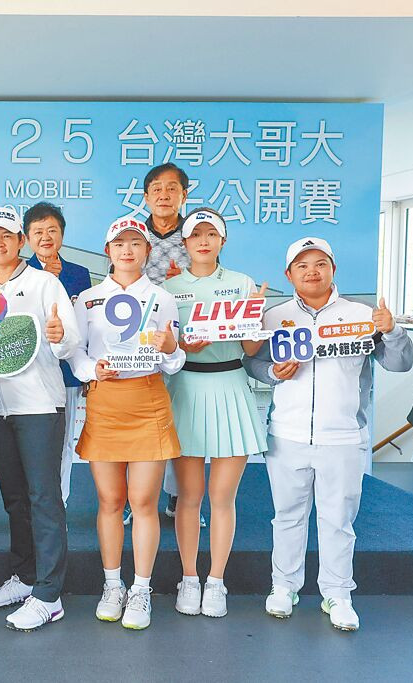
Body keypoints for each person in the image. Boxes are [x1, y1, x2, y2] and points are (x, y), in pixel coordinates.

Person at [245, 237, 413, 632]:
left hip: (343, 437)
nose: (312, 272)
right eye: (302, 266)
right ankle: (283, 586)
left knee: (338, 519)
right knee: (287, 516)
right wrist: (272, 373)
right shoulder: (275, 316)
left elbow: (401, 363)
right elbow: (252, 362)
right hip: (286, 434)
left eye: (320, 264)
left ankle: (338, 593)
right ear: (289, 274)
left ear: (333, 270)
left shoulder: (363, 315)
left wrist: (392, 331)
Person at [0, 207, 79, 632]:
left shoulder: (45, 283)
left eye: (6, 236)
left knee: (44, 498)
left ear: (20, 242)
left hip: (40, 406)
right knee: (15, 499)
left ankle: (49, 595)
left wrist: (61, 338)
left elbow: (71, 343)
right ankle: (25, 577)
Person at [68, 217, 185, 630]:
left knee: (143, 502)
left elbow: (174, 361)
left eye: (136, 243)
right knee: (110, 501)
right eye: (119, 243)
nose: (127, 250)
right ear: (108, 251)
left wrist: (170, 347)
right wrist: (93, 370)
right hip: (105, 401)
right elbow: (76, 354)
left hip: (147, 400)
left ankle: (141, 589)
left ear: (147, 250)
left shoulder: (162, 298)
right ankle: (112, 585)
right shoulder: (88, 299)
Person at [162, 208, 269, 618]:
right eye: (196, 235)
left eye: (211, 234)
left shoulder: (242, 284)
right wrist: (180, 347)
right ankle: (189, 578)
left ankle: (217, 581)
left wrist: (254, 318)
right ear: (185, 242)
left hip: (230, 387)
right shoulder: (168, 288)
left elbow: (250, 349)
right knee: (188, 498)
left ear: (223, 241)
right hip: (185, 388)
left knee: (223, 498)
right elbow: (163, 346)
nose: (203, 241)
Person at [22, 202, 92, 504]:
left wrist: (86, 372)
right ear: (26, 238)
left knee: (63, 444)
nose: (45, 237)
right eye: (38, 231)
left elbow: (86, 326)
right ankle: (32, 507)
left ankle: (59, 505)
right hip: (30, 373)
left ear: (62, 235)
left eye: (52, 230)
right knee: (32, 446)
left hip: (67, 372)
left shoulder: (79, 274)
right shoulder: (19, 272)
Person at [140, 163, 198, 524]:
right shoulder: (131, 233)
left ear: (184, 195)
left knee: (181, 419)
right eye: (157, 189)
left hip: (183, 340)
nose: (164, 195)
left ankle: (180, 497)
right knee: (143, 421)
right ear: (146, 196)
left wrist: (185, 279)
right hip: (138, 343)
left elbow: (207, 280)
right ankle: (137, 497)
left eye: (172, 188)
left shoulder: (195, 235)